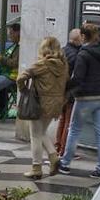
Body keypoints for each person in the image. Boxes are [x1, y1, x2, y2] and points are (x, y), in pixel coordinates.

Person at [57, 22, 100, 178]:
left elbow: (77, 78)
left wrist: (64, 88)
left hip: (86, 97)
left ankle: (65, 164)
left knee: (74, 130)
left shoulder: (83, 54)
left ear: (84, 36)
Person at [16, 36, 70, 179]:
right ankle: (53, 157)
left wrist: (24, 91)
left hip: (39, 103)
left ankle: (36, 168)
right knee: (42, 133)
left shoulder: (42, 64)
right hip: (56, 104)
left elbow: (21, 77)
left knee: (35, 135)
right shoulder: (64, 65)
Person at [56, 28, 83, 155]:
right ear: (78, 39)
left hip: (61, 90)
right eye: (82, 37)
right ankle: (64, 150)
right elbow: (75, 75)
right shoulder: (77, 54)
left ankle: (58, 146)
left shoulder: (62, 50)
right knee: (69, 121)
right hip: (71, 91)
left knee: (63, 119)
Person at [0, 22, 22, 119]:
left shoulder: (20, 47)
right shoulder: (14, 45)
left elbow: (14, 63)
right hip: (6, 73)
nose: (9, 35)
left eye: (11, 33)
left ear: (18, 33)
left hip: (12, 76)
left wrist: (1, 58)